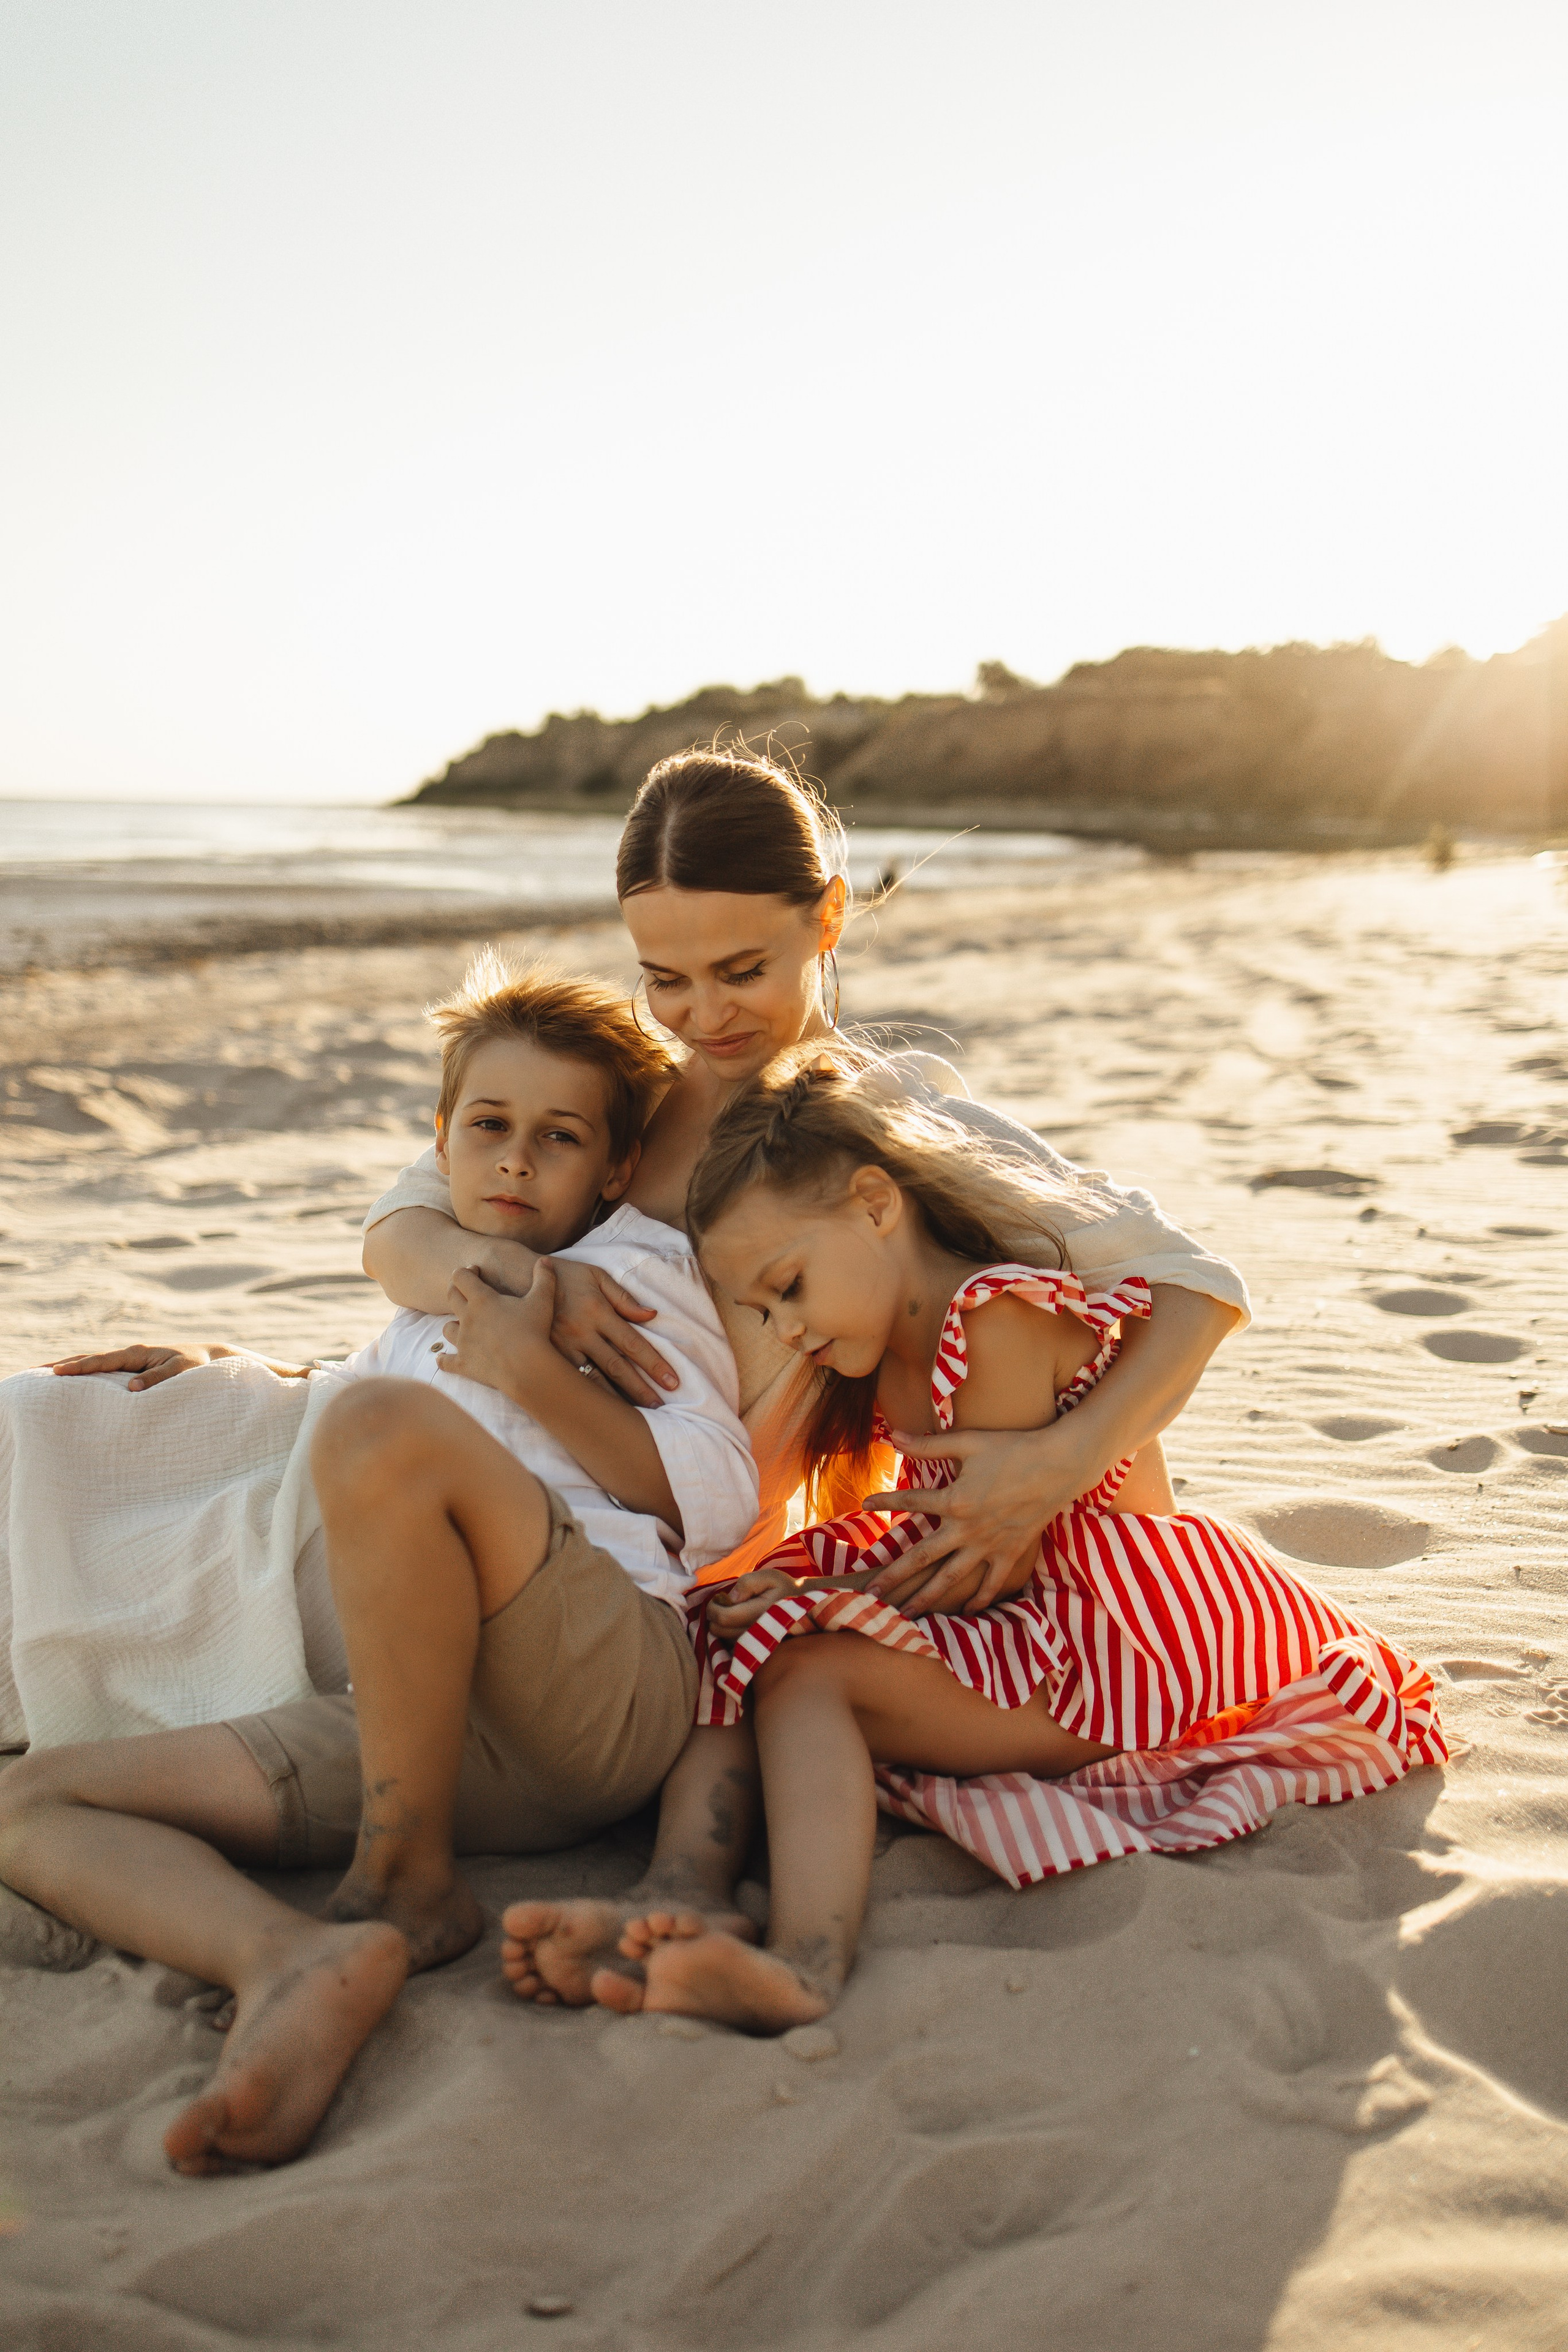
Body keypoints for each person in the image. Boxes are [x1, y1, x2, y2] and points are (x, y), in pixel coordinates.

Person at [360, 746, 1254, 1999]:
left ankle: (739, 1924)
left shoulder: (886, 1120)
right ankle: (688, 1899)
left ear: (825, 917)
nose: (703, 1016)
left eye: (743, 971)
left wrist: (1051, 1466)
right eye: (662, 978)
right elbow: (398, 1232)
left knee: (766, 1676)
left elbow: (1192, 1286)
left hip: (702, 1527)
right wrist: (519, 1276)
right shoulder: (617, 1098)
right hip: (563, 1493)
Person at [0, 960, 757, 2169]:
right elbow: (370, 1423)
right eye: (488, 1128)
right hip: (429, 1722)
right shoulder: (427, 1299)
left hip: (600, 1680)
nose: (514, 1160)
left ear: (612, 1171)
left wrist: (534, 1372)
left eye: (556, 1138)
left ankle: (401, 1879)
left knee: (373, 1434)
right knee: (34, 1803)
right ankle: (285, 1956)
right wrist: (229, 1358)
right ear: (442, 1144)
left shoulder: (630, 1283)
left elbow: (717, 1502)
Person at [542, 1047, 1447, 2032]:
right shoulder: (886, 1350)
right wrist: (781, 1589)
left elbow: (984, 1565)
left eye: (790, 1285)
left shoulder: (994, 1320)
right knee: (742, 1624)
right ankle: (686, 1883)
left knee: (809, 1675)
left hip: (1111, 1641)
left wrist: (810, 1607)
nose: (786, 1328)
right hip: (1027, 1628)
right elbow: (917, 1539)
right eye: (764, 1308)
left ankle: (806, 1962)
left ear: (877, 1206)